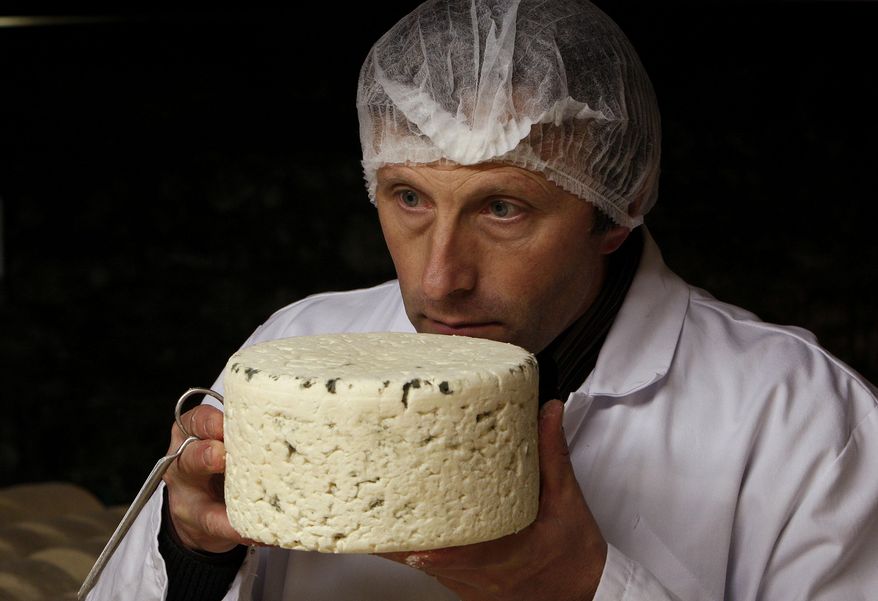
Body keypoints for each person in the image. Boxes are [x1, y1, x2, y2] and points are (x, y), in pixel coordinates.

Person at [86, 0, 878, 599]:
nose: (439, 280)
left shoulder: (809, 421)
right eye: (409, 198)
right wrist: (193, 550)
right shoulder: (294, 351)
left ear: (616, 209)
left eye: (503, 208)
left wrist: (581, 586)